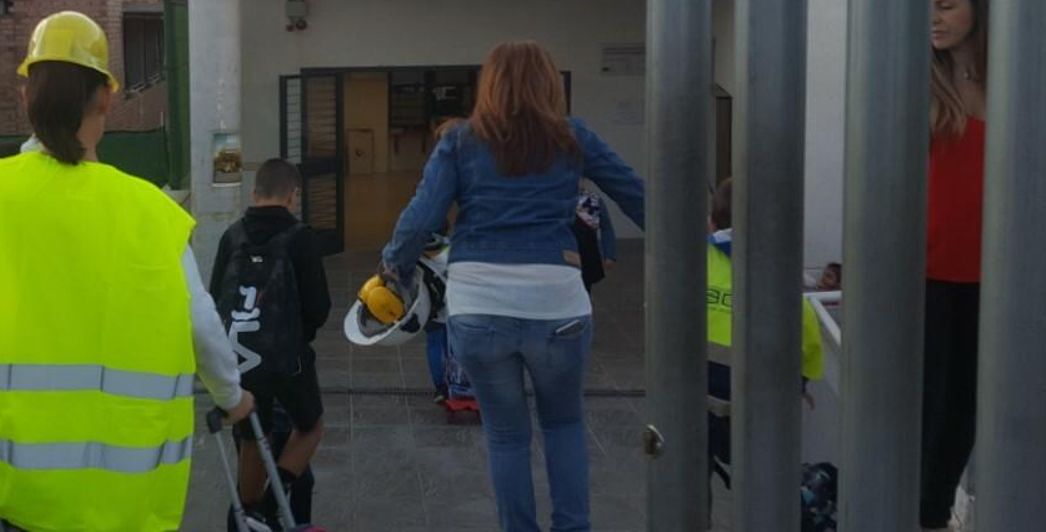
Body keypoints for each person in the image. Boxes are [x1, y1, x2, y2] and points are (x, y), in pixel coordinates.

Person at [0, 11, 253, 532]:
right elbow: (200, 325)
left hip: (15, 484)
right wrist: (232, 397)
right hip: (121, 496)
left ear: (26, 96)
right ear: (106, 97)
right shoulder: (149, 210)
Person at [375, 41, 645, 532]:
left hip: (478, 305)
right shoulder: (572, 137)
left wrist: (396, 266)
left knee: (506, 436)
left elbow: (420, 220)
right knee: (563, 425)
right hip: (558, 303)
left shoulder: (460, 141)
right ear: (549, 85)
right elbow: (638, 195)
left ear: (490, 84)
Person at [209, 158, 331, 527]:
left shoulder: (231, 235)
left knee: (250, 436)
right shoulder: (301, 238)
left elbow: (215, 297)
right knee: (310, 426)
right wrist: (297, 336)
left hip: (239, 358)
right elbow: (319, 308)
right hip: (286, 359)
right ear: (293, 196)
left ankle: (247, 513)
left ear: (254, 192)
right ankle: (270, 498)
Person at [921, 0, 990, 530]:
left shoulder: (1011, 82)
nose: (934, 19)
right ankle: (917, 514)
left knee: (966, 415)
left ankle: (935, 514)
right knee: (923, 412)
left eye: (946, 7)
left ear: (978, 8)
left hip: (991, 276)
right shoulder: (920, 81)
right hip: (925, 275)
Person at [703, 178, 825, 491]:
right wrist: (800, 382)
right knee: (764, 485)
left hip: (696, 398)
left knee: (690, 481)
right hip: (758, 404)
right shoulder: (777, 269)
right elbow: (807, 332)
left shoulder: (692, 262)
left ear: (712, 221)